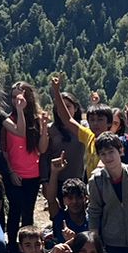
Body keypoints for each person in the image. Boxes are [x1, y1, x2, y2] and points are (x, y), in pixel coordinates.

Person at [46, 74, 97, 213]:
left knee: (81, 212)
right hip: (58, 178)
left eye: (69, 106)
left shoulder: (84, 129)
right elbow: (44, 154)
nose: (65, 109)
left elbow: (97, 122)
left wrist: (94, 105)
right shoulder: (51, 128)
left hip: (80, 178)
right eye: (61, 106)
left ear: (76, 108)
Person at [2, 81, 48, 232]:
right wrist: (11, 171)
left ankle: (27, 247)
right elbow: (5, 149)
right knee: (15, 210)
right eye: (14, 97)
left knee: (28, 212)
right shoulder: (8, 120)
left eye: (20, 97)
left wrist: (44, 129)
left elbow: (41, 148)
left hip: (33, 174)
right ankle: (12, 247)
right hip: (15, 174)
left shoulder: (37, 119)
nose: (16, 101)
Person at [53, 179, 89, 244]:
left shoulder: (93, 220)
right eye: (70, 198)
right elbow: (51, 199)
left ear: (86, 199)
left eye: (79, 197)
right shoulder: (60, 217)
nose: (74, 201)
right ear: (64, 200)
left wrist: (73, 240)